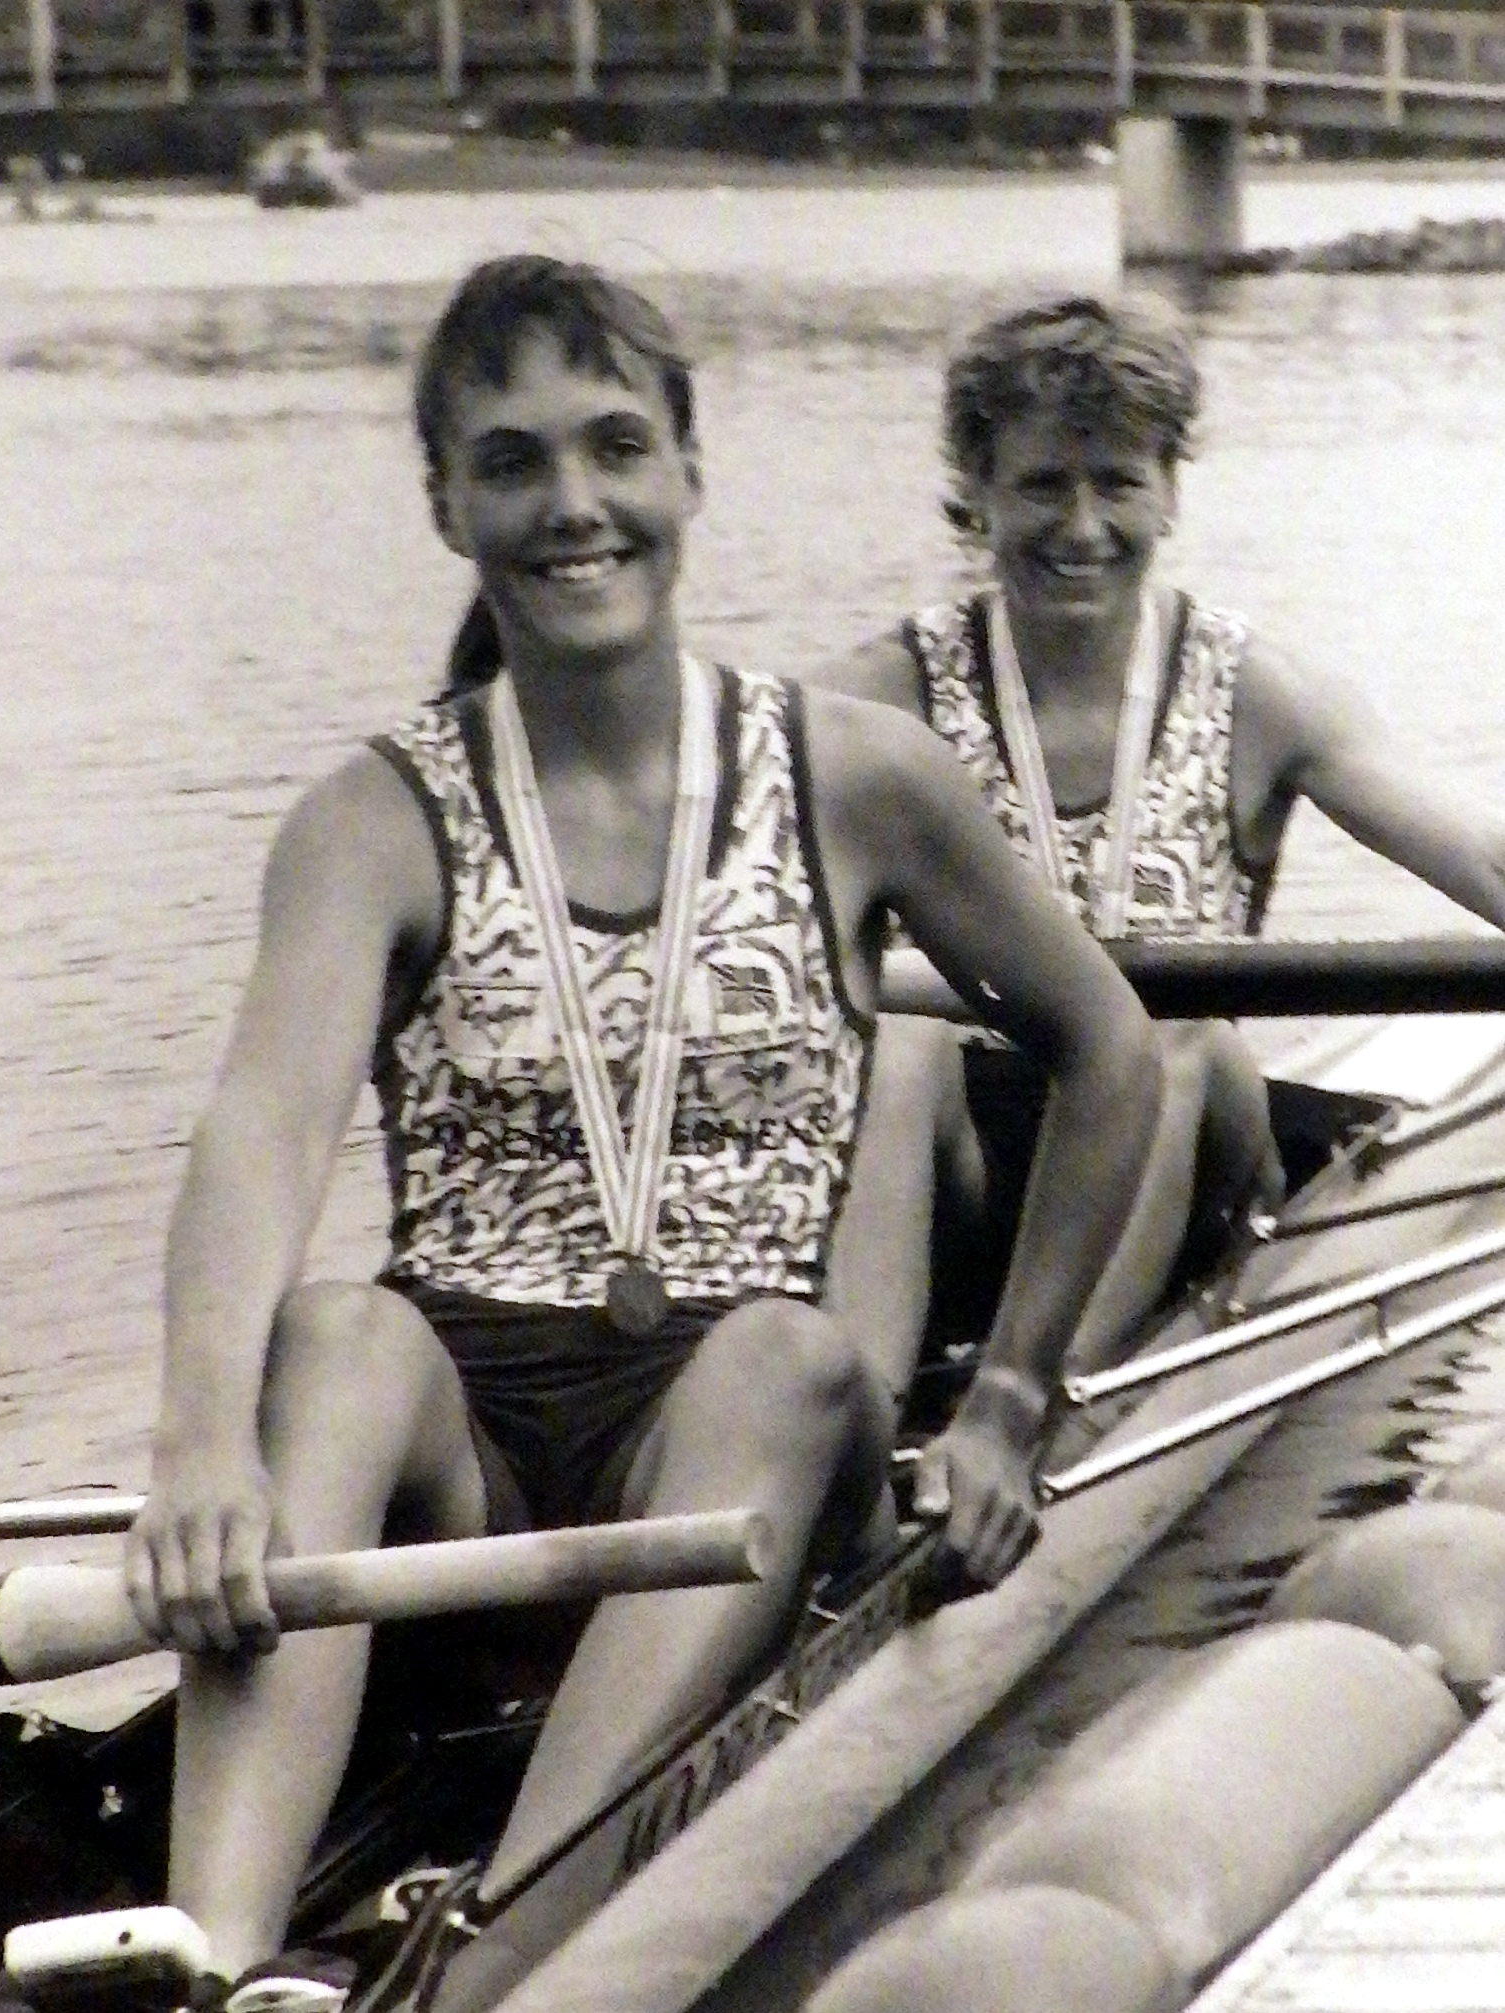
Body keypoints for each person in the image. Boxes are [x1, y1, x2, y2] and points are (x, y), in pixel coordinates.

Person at [102, 257, 1161, 2012]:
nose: (571, 504)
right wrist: (201, 1437)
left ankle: (506, 1942)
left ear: (686, 471)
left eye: (613, 447)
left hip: (730, 1451)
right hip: (467, 1464)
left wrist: (1008, 1400)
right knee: (330, 1331)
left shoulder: (858, 773)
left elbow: (1108, 1053)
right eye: (511, 462)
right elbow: (261, 1135)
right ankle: (213, 1960)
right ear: (447, 500)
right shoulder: (370, 816)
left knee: (795, 1356)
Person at [812, 287, 1505, 1398]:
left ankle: (1041, 1410)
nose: (1082, 528)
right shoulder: (884, 697)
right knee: (899, 1046)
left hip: (1190, 1147)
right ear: (978, 496)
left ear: (1171, 491)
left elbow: (1480, 855)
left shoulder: (1258, 694)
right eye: (1042, 484)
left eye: (1118, 483)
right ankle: (859, 1425)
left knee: (1167, 1029)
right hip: (978, 1175)